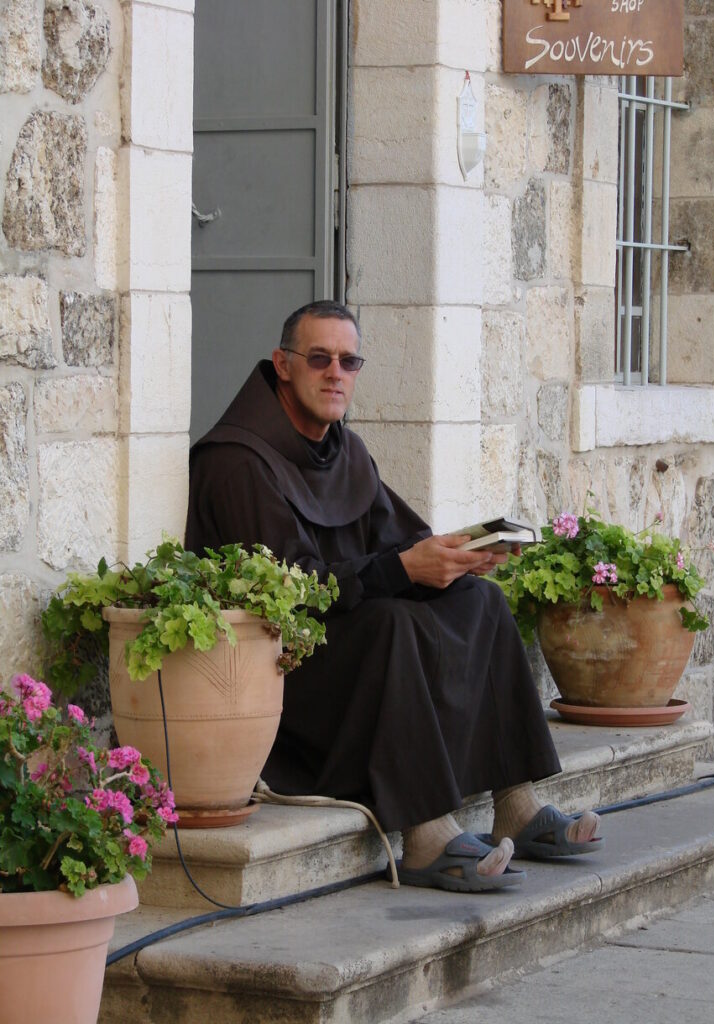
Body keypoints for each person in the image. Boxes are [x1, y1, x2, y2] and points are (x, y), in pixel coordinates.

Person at [185, 300, 603, 892]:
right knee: (390, 625)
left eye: (349, 361)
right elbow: (289, 594)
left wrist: (459, 556)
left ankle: (518, 802)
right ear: (282, 364)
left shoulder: (345, 451)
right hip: (281, 672)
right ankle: (426, 834)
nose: (336, 373)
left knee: (479, 602)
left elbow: (400, 544)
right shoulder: (237, 461)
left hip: (345, 643)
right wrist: (402, 569)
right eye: (319, 358)